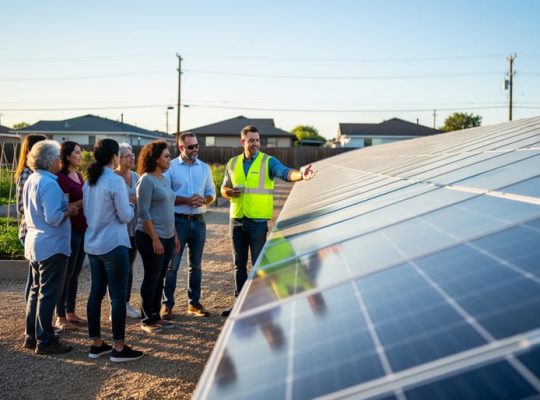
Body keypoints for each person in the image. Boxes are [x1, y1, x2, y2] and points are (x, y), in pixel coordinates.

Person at [220, 125, 316, 317]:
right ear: (243, 142)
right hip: (237, 220)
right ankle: (239, 305)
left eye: (257, 140)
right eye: (251, 140)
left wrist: (301, 175)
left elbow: (285, 172)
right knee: (239, 265)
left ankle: (258, 305)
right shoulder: (232, 163)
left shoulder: (268, 162)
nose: (255, 143)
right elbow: (223, 188)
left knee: (258, 265)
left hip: (257, 222)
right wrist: (230, 192)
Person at [84, 139, 143, 362]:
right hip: (114, 243)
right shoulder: (115, 181)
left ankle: (96, 344)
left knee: (95, 293)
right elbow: (125, 216)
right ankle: (119, 347)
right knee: (118, 296)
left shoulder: (89, 180)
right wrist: (130, 204)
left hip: (93, 243)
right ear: (114, 157)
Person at [23, 140, 78, 354]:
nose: (59, 161)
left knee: (36, 292)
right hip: (52, 244)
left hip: (35, 242)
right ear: (49, 160)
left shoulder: (32, 179)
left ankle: (32, 335)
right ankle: (45, 340)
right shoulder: (49, 184)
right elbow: (54, 218)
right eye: (57, 157)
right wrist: (70, 211)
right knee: (48, 294)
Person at [161, 132, 216, 319]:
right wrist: (185, 200)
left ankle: (194, 304)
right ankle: (167, 304)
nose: (195, 150)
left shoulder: (204, 168)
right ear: (181, 147)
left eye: (197, 146)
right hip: (178, 221)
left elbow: (212, 193)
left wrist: (205, 200)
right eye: (191, 146)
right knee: (172, 265)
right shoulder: (171, 168)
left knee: (196, 265)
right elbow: (165, 197)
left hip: (199, 222)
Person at [136, 140, 179, 334]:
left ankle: (155, 316)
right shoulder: (146, 180)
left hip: (168, 236)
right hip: (150, 237)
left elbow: (169, 208)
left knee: (160, 276)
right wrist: (155, 238)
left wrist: (175, 235)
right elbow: (144, 212)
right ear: (155, 158)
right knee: (152, 277)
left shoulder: (165, 178)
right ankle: (146, 319)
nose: (169, 159)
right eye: (166, 156)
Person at [55, 141, 88, 331]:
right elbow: (67, 206)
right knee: (66, 274)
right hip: (70, 231)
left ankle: (71, 312)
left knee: (75, 274)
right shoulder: (61, 178)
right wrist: (88, 198)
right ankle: (60, 316)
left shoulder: (80, 176)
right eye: (77, 152)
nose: (80, 155)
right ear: (67, 156)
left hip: (83, 229)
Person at [15, 134, 46, 302]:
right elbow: (21, 207)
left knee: (36, 278)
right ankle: (31, 322)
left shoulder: (34, 173)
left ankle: (33, 320)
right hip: (29, 231)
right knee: (35, 280)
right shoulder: (26, 173)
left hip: (35, 231)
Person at [115, 143, 141, 319]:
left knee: (129, 267)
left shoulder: (136, 176)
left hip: (134, 229)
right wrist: (131, 198)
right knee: (118, 268)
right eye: (127, 156)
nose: (132, 158)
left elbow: (140, 199)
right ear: (117, 158)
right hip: (118, 229)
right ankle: (115, 305)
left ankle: (125, 303)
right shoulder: (113, 178)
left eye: (132, 155)